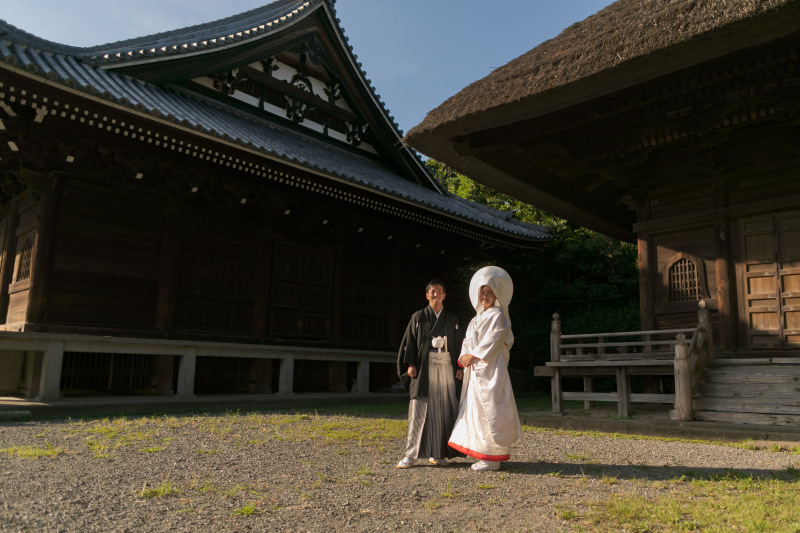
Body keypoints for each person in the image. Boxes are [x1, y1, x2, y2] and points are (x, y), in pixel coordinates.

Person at [448, 266, 523, 472]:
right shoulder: (475, 319)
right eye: (482, 292)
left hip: (491, 371)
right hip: (475, 373)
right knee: (475, 412)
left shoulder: (499, 316)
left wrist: (472, 356)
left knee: (491, 410)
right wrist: (464, 357)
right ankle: (481, 453)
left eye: (490, 293)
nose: (485, 296)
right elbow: (467, 341)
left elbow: (495, 339)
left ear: (497, 295)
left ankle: (493, 458)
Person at [396, 279, 464, 468]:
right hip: (424, 368)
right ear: (427, 295)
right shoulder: (418, 317)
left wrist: (460, 367)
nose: (436, 295)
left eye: (440, 291)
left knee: (443, 410)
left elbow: (459, 343)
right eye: (432, 292)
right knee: (419, 410)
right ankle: (410, 454)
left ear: (444, 295)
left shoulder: (452, 319)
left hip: (446, 367)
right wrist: (410, 363)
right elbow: (409, 341)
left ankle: (438, 452)